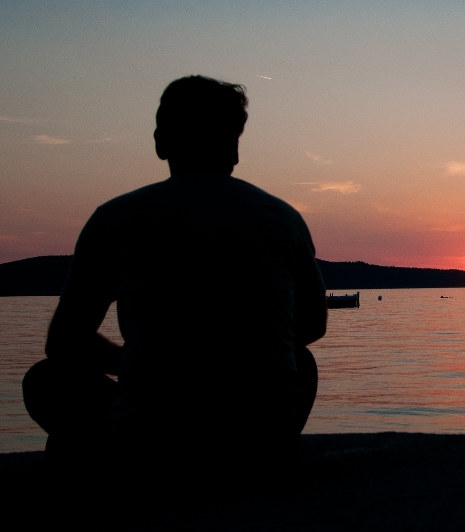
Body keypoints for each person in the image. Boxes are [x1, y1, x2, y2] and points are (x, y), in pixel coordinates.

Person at [22, 75, 327, 487]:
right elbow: (311, 325)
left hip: (152, 445)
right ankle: (264, 456)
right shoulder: (282, 217)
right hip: (257, 443)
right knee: (301, 363)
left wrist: (138, 365)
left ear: (160, 141)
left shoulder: (115, 218)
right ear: (234, 146)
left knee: (47, 379)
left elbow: (64, 342)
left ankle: (100, 470)